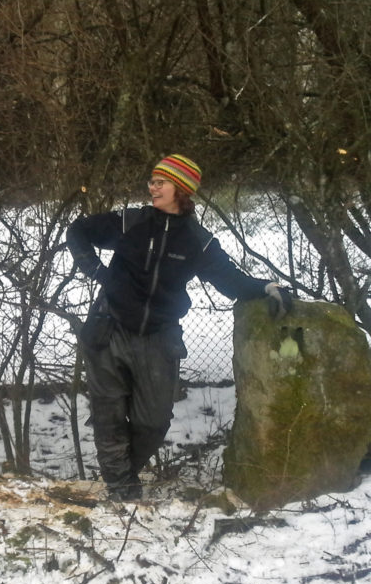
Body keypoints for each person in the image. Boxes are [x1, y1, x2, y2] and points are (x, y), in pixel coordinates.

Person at [66, 154, 293, 502]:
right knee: (108, 416)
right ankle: (121, 491)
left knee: (153, 422)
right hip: (109, 329)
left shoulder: (197, 242)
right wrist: (95, 270)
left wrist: (265, 288)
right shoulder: (130, 222)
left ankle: (122, 478)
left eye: (161, 182)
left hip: (158, 337)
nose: (152, 186)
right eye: (152, 181)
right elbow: (78, 230)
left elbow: (230, 281)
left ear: (181, 189)